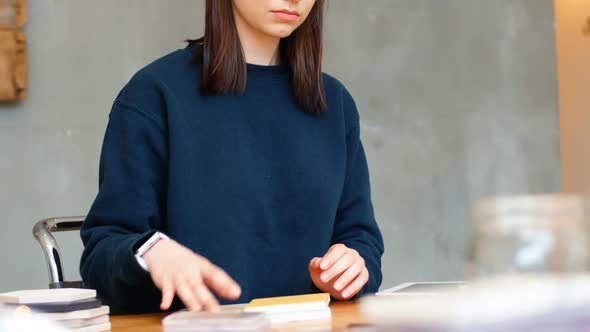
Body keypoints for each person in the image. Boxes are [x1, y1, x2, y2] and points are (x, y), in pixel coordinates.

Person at [80, 0, 384, 314]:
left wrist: (351, 267)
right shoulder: (154, 94)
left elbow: (361, 239)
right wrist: (151, 253)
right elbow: (102, 256)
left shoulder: (334, 104)